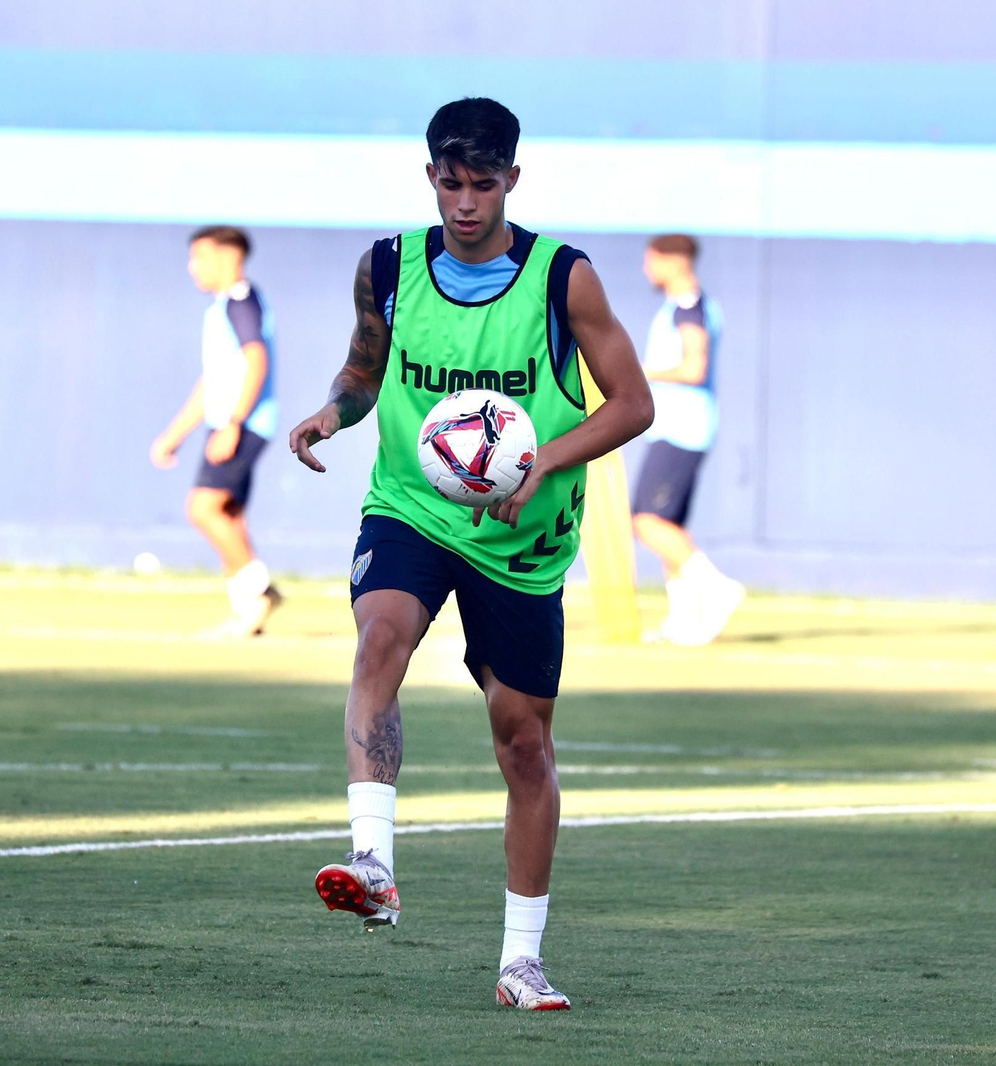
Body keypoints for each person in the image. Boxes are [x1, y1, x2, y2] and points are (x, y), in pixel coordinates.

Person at [286, 97, 653, 1008]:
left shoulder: (564, 281)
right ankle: (372, 863)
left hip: (522, 542)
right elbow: (366, 368)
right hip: (411, 507)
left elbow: (634, 404)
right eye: (450, 183)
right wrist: (336, 409)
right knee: (380, 642)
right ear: (431, 179)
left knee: (523, 745)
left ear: (512, 182)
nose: (465, 203)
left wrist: (541, 463)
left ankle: (520, 962)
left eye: (483, 184)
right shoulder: (388, 267)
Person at [150, 226, 281, 634]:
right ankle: (247, 611)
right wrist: (174, 435)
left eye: (200, 257)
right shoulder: (222, 307)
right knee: (228, 515)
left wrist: (234, 423)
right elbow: (211, 383)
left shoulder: (240, 302)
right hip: (226, 422)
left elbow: (255, 360)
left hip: (241, 424)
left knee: (202, 508)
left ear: (229, 257)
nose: (193, 267)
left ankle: (260, 591)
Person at [632, 234, 743, 644]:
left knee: (648, 521)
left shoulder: (688, 307)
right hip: (678, 427)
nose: (647, 269)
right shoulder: (683, 306)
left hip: (682, 428)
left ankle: (717, 588)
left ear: (673, 261)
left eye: (652, 260)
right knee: (670, 525)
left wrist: (640, 372)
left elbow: (695, 367)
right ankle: (685, 620)